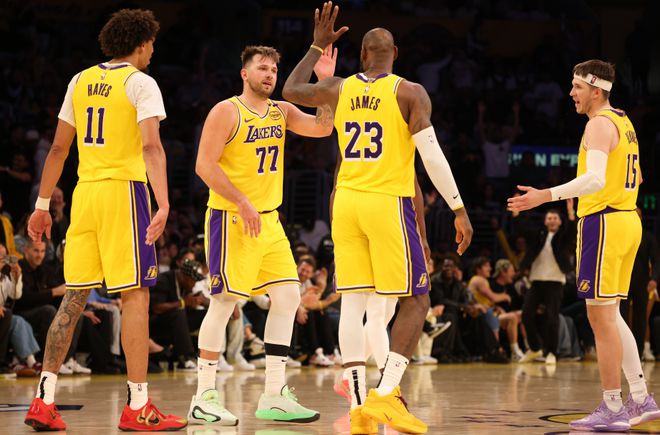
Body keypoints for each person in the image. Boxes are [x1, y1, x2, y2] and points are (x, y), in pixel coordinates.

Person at [283, 3, 473, 433]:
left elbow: (291, 88)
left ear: (363, 55)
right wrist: (458, 208)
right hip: (387, 202)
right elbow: (432, 157)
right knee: (417, 300)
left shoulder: (338, 87)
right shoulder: (410, 92)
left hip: (346, 202)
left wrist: (316, 46)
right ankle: (386, 395)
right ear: (395, 54)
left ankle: (358, 408)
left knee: (353, 303)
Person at [23, 9, 186, 431]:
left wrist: (42, 204)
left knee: (73, 298)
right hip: (123, 194)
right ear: (141, 43)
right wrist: (163, 202)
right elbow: (151, 147)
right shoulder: (141, 82)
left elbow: (58, 149)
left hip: (85, 193)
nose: (153, 51)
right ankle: (138, 407)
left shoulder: (79, 80)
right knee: (136, 297)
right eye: (152, 44)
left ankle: (43, 400)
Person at [508, 59, 660, 431]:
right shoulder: (624, 122)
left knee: (599, 318)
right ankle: (641, 397)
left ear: (595, 90)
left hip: (604, 222)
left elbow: (594, 180)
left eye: (577, 87)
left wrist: (545, 195)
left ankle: (613, 406)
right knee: (611, 315)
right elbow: (638, 176)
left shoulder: (598, 124)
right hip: (627, 221)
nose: (571, 93)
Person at [188, 44, 335, 426]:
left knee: (288, 297)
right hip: (231, 218)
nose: (269, 75)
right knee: (224, 302)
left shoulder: (281, 111)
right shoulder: (226, 111)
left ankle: (273, 394)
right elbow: (204, 165)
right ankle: (203, 396)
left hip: (269, 221)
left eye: (273, 70)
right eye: (262, 68)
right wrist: (241, 201)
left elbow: (323, 127)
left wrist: (323, 84)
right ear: (245, 73)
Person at [516, 202, 576, 365]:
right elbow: (522, 230)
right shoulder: (539, 235)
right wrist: (516, 213)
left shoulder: (563, 236)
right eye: (549, 218)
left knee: (552, 318)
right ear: (544, 221)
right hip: (536, 280)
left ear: (560, 221)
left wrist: (570, 212)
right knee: (526, 314)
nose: (552, 220)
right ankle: (535, 348)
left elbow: (572, 231)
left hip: (555, 281)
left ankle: (551, 352)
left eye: (555, 218)